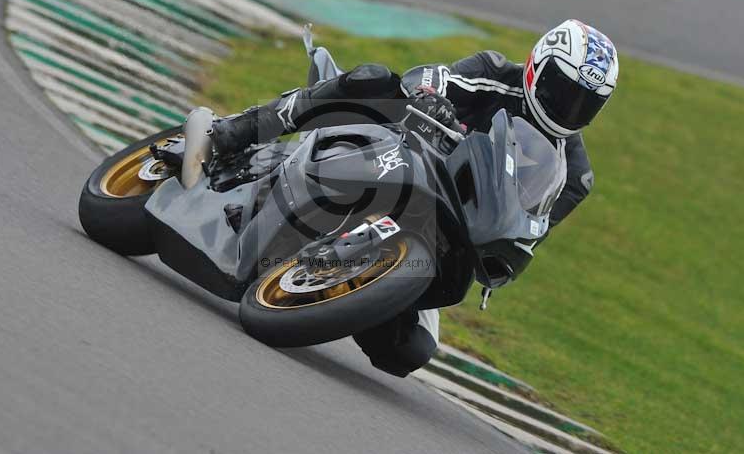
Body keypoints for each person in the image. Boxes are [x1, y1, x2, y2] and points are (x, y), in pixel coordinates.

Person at [200, 19, 619, 377]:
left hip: (449, 228)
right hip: (403, 155)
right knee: (374, 79)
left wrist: (509, 256)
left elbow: (534, 225)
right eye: (561, 90)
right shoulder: (493, 72)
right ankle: (242, 128)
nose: (569, 107)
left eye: (586, 103)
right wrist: (430, 97)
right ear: (536, 67)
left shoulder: (576, 175)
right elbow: (429, 77)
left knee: (407, 353)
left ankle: (344, 286)